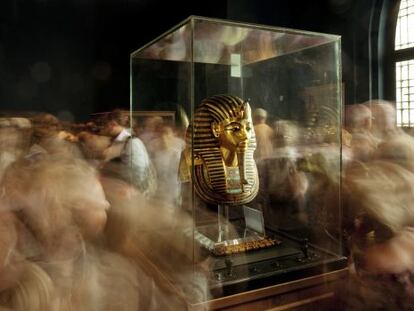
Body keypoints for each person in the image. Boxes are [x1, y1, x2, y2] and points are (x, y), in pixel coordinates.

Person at [100, 109, 156, 197]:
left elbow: (139, 173)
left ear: (112, 124)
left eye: (105, 125)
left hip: (128, 196)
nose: (104, 129)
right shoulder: (121, 141)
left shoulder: (132, 142)